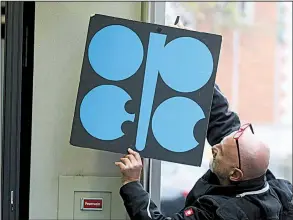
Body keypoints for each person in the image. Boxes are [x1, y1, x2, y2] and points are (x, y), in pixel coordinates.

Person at [116, 123, 293, 219]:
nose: (214, 147)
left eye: (220, 152)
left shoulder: (218, 212)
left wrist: (132, 183)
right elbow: (225, 124)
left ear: (235, 175)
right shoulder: (279, 190)